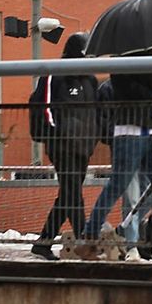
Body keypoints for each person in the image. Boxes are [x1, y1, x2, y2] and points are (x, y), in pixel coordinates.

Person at [82, 48, 152, 252]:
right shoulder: (122, 60)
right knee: (119, 186)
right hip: (129, 131)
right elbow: (134, 92)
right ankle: (91, 235)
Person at [27, 32, 99, 260]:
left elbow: (95, 113)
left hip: (82, 147)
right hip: (62, 145)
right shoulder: (54, 75)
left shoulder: (91, 81)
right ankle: (84, 243)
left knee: (69, 195)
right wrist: (54, 134)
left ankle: (43, 242)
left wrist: (93, 138)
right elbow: (43, 106)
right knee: (73, 194)